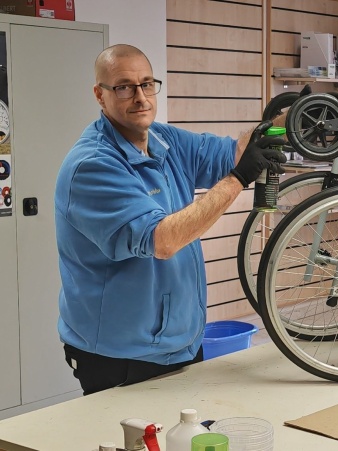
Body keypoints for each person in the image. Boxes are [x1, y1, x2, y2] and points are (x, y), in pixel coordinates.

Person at [55, 44, 287, 395]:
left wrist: (299, 118)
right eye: (124, 86)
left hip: (180, 343)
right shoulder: (93, 165)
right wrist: (238, 179)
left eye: (147, 83)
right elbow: (161, 241)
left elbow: (238, 151)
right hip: (120, 355)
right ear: (99, 95)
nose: (140, 96)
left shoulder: (165, 141)